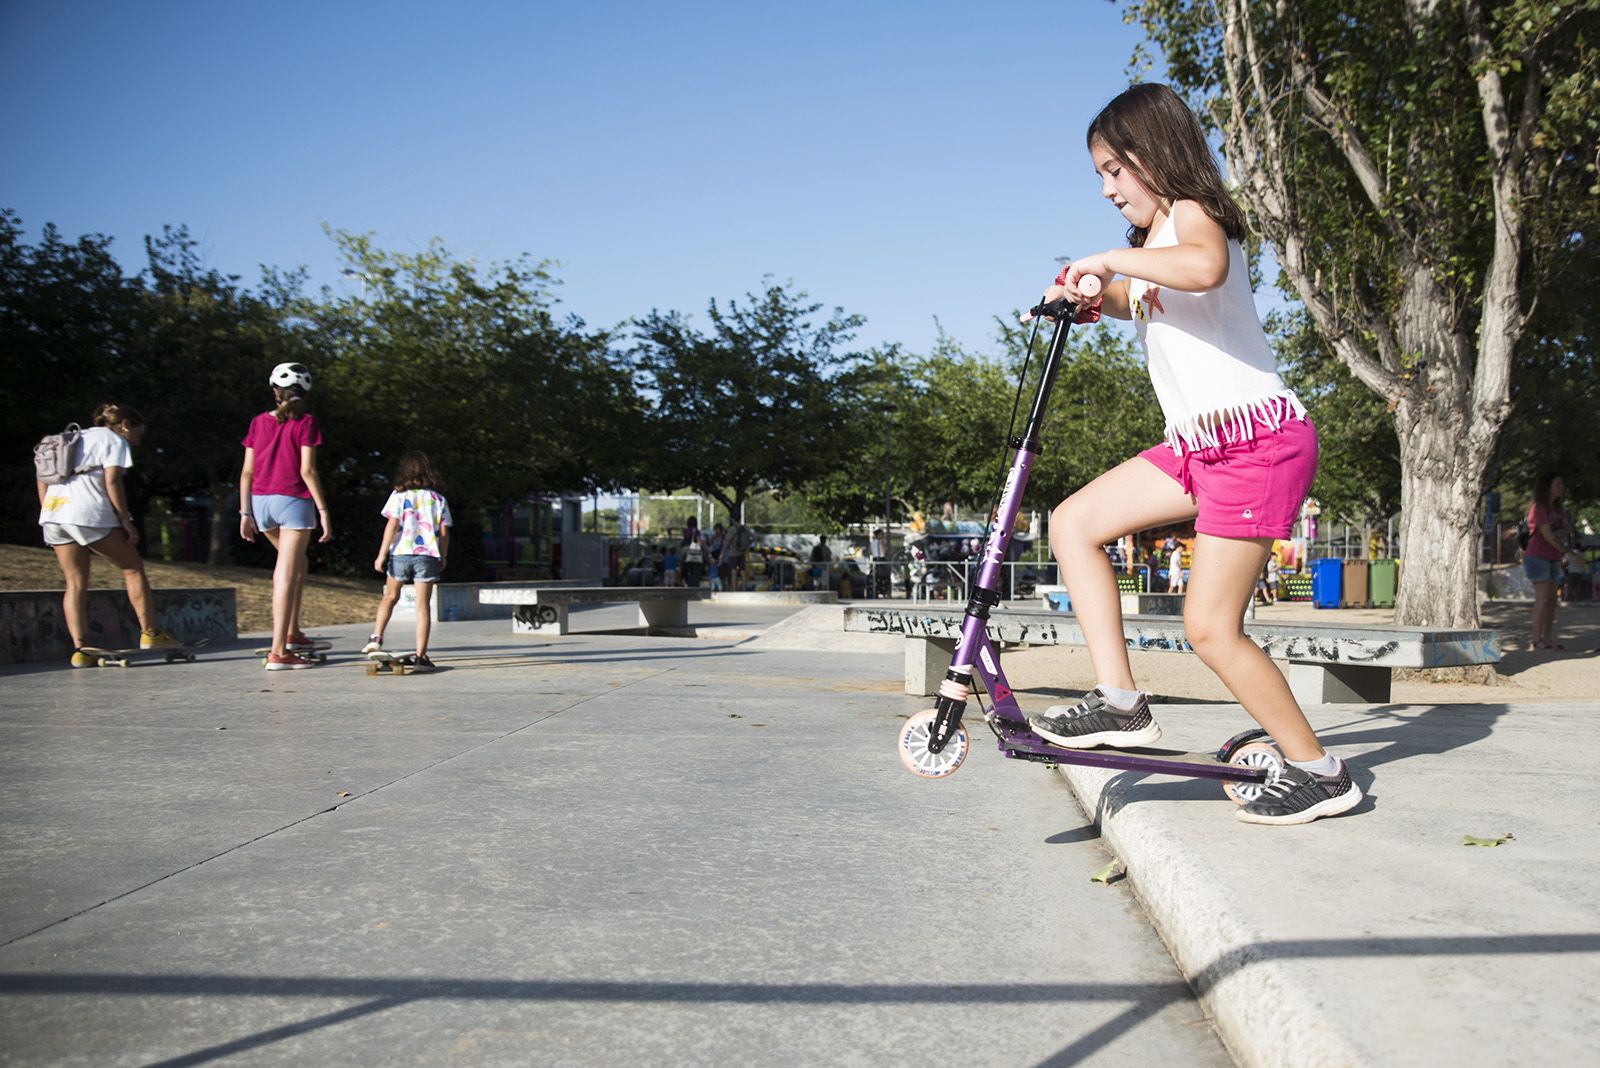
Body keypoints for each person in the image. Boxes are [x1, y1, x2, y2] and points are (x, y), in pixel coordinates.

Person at [1026, 83, 1360, 826]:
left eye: (1115, 170)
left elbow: (1204, 268)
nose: (1109, 190)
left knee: (1209, 628)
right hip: (1199, 445)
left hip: (1256, 441)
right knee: (1073, 522)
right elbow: (1143, 298)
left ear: (1154, 154)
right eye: (1101, 177)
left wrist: (1110, 259)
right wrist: (1084, 298)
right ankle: (1121, 702)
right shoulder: (1153, 248)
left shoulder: (1193, 216)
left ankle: (1321, 771)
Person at [37, 404, 181, 665]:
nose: (137, 441)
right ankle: (150, 633)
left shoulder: (73, 437)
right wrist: (126, 521)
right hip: (87, 512)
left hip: (54, 513)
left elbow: (42, 477)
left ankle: (81, 650)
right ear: (125, 424)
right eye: (138, 434)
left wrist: (47, 511)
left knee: (75, 582)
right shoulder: (114, 439)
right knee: (132, 568)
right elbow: (112, 480)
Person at [239, 362, 331, 670]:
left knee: (297, 564)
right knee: (286, 572)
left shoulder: (257, 422)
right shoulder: (306, 422)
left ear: (274, 391)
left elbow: (247, 472)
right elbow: (307, 470)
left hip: (261, 503)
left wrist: (245, 513)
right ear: (304, 393)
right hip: (292, 501)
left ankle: (292, 632)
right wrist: (323, 510)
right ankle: (278, 651)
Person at [364, 451, 452, 669]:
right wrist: (443, 555)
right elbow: (444, 532)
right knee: (422, 607)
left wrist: (382, 554)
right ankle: (421, 656)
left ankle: (376, 638)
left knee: (390, 596)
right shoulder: (437, 499)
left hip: (400, 553)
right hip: (427, 556)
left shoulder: (398, 496)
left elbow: (392, 525)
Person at [1525, 472, 1584, 650]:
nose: (1561, 487)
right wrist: (1570, 553)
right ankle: (1536, 640)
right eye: (1558, 484)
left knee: (1552, 600)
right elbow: (1548, 536)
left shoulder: (1558, 509)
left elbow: (1564, 531)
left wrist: (1563, 537)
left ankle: (1548, 638)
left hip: (1553, 558)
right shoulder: (1538, 507)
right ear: (1547, 487)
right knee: (1542, 599)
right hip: (1537, 557)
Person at [707, 523, 727, 592]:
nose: (716, 531)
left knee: (722, 576)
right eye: (715, 530)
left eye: (717, 530)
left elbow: (724, 548)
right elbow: (710, 548)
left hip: (722, 558)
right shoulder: (712, 538)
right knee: (714, 576)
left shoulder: (724, 538)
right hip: (714, 558)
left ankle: (723, 589)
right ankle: (714, 590)